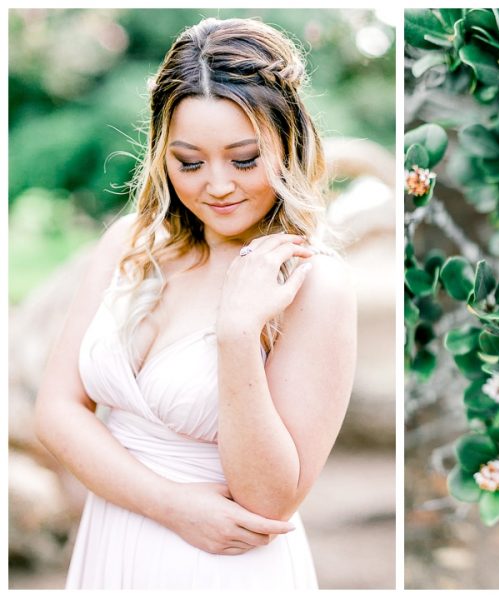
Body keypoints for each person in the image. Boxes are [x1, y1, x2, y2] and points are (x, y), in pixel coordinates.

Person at [34, 16, 356, 589]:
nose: (217, 185)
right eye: (189, 161)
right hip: (115, 541)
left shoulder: (313, 283)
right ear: (163, 153)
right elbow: (57, 412)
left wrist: (237, 334)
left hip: (223, 565)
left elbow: (269, 500)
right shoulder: (130, 243)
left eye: (244, 159)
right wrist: (170, 506)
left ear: (290, 143)